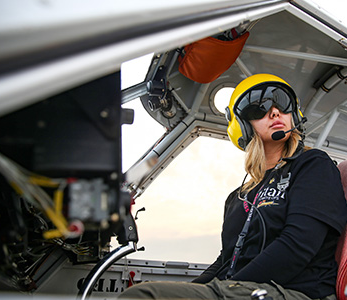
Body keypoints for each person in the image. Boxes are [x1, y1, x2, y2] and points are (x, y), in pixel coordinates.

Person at [119, 74, 347, 299]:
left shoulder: (313, 165)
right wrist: (195, 287)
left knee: (144, 296)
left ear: (294, 114)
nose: (275, 111)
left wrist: (225, 287)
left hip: (298, 292)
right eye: (258, 108)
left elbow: (298, 245)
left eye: (282, 101)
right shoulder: (238, 197)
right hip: (243, 289)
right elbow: (225, 260)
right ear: (242, 126)